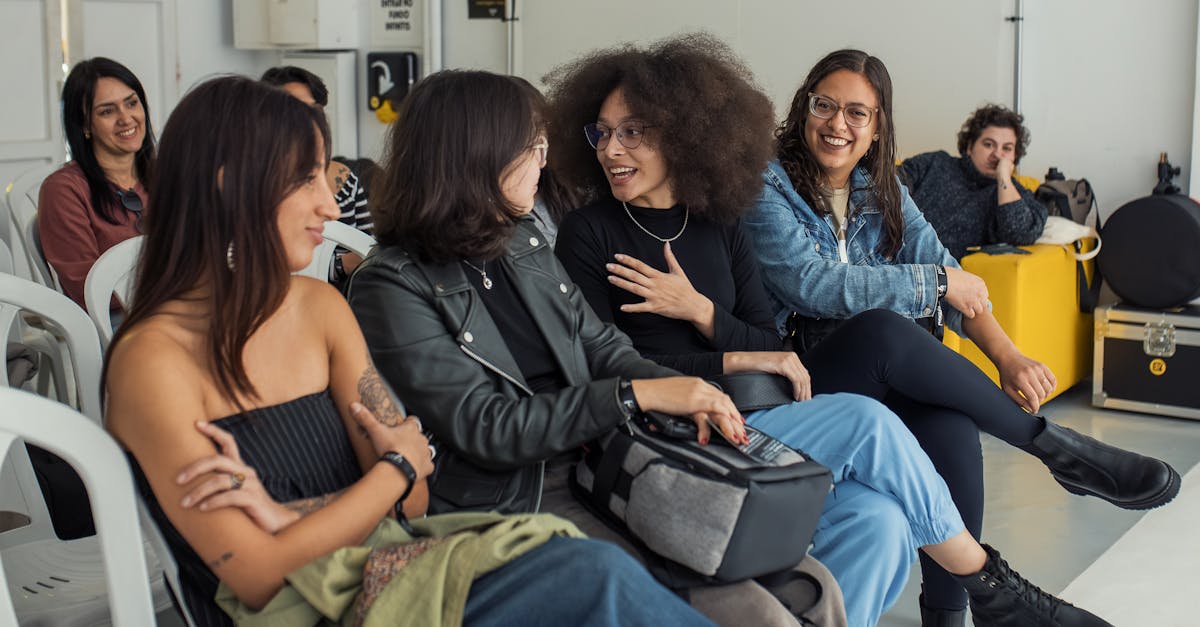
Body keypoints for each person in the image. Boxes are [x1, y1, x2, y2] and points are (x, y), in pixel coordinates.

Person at [547, 34, 1116, 627]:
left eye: (632, 131)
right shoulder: (591, 233)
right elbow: (609, 369)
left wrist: (702, 313)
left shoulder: (722, 223)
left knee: (886, 518)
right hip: (672, 426)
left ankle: (956, 612)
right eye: (603, 132)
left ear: (682, 133)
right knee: (873, 407)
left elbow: (768, 345)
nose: (612, 148)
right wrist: (730, 360)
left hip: (760, 406)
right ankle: (999, 588)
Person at [103, 75, 712, 627]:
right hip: (312, 607)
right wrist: (389, 470)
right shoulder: (153, 362)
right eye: (304, 179)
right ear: (229, 186)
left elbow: (418, 496)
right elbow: (261, 576)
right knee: (593, 578)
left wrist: (297, 513)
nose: (331, 204)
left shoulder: (318, 308)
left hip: (399, 558)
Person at [347, 68, 849, 627]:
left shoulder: (521, 242)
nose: (545, 160)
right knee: (754, 612)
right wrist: (636, 395)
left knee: (812, 587)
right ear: (478, 156)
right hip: (518, 494)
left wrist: (683, 393)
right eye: (532, 146)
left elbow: (602, 345)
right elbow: (488, 426)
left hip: (602, 455)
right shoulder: (391, 285)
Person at [744, 48, 1178, 623]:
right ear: (804, 109)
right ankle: (1055, 449)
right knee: (881, 329)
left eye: (857, 113)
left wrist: (1009, 356)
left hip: (882, 369)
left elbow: (955, 277)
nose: (838, 125)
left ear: (877, 129)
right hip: (806, 373)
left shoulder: (883, 189)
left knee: (952, 435)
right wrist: (933, 283)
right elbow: (812, 285)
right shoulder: (765, 185)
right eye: (825, 106)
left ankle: (950, 616)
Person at [38, 57, 155, 309]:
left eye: (132, 103)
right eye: (107, 111)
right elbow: (88, 289)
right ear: (84, 124)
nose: (126, 119)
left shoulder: (166, 175)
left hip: (179, 310)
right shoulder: (63, 190)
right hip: (118, 327)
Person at [261, 65, 372, 282]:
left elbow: (368, 246)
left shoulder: (344, 177)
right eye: (297, 110)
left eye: (316, 110)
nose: (331, 211)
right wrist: (340, 264)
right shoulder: (257, 184)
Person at [899, 104, 1047, 259]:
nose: (997, 154)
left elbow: (1019, 233)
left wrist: (1003, 177)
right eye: (989, 144)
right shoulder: (934, 163)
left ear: (1015, 156)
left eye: (1007, 149)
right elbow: (888, 186)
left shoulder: (1015, 194)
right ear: (970, 146)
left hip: (942, 273)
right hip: (887, 254)